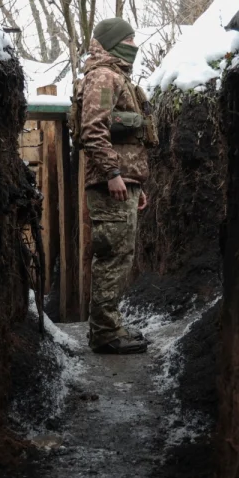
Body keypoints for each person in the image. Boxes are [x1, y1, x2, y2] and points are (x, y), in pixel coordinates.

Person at [77, 18, 159, 354]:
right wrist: (112, 174)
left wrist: (135, 183)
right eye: (129, 39)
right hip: (112, 183)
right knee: (112, 257)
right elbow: (92, 130)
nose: (134, 45)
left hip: (123, 183)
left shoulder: (114, 74)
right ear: (113, 42)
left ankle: (108, 326)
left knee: (120, 256)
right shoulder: (104, 76)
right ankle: (105, 335)